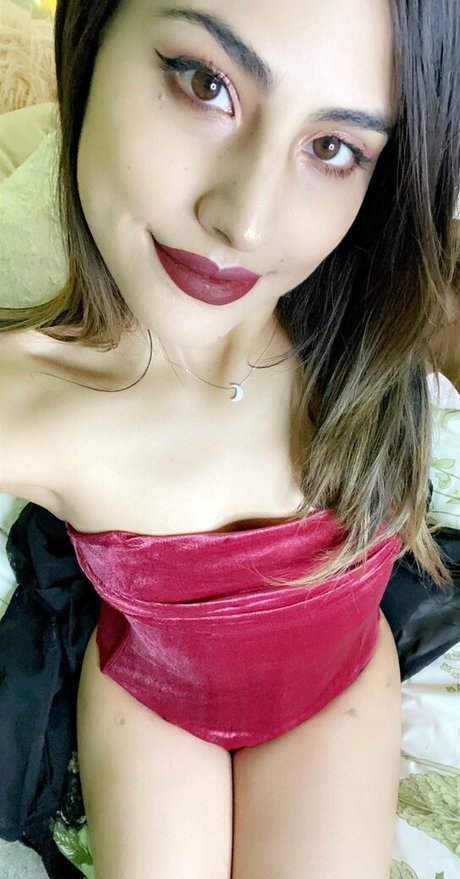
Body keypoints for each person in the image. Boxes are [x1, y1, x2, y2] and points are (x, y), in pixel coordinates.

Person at [0, 0, 458, 876]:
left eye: (334, 146)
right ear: (92, 33)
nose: (246, 221)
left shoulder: (376, 322)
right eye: (206, 83)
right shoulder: (33, 400)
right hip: (152, 704)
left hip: (337, 683)